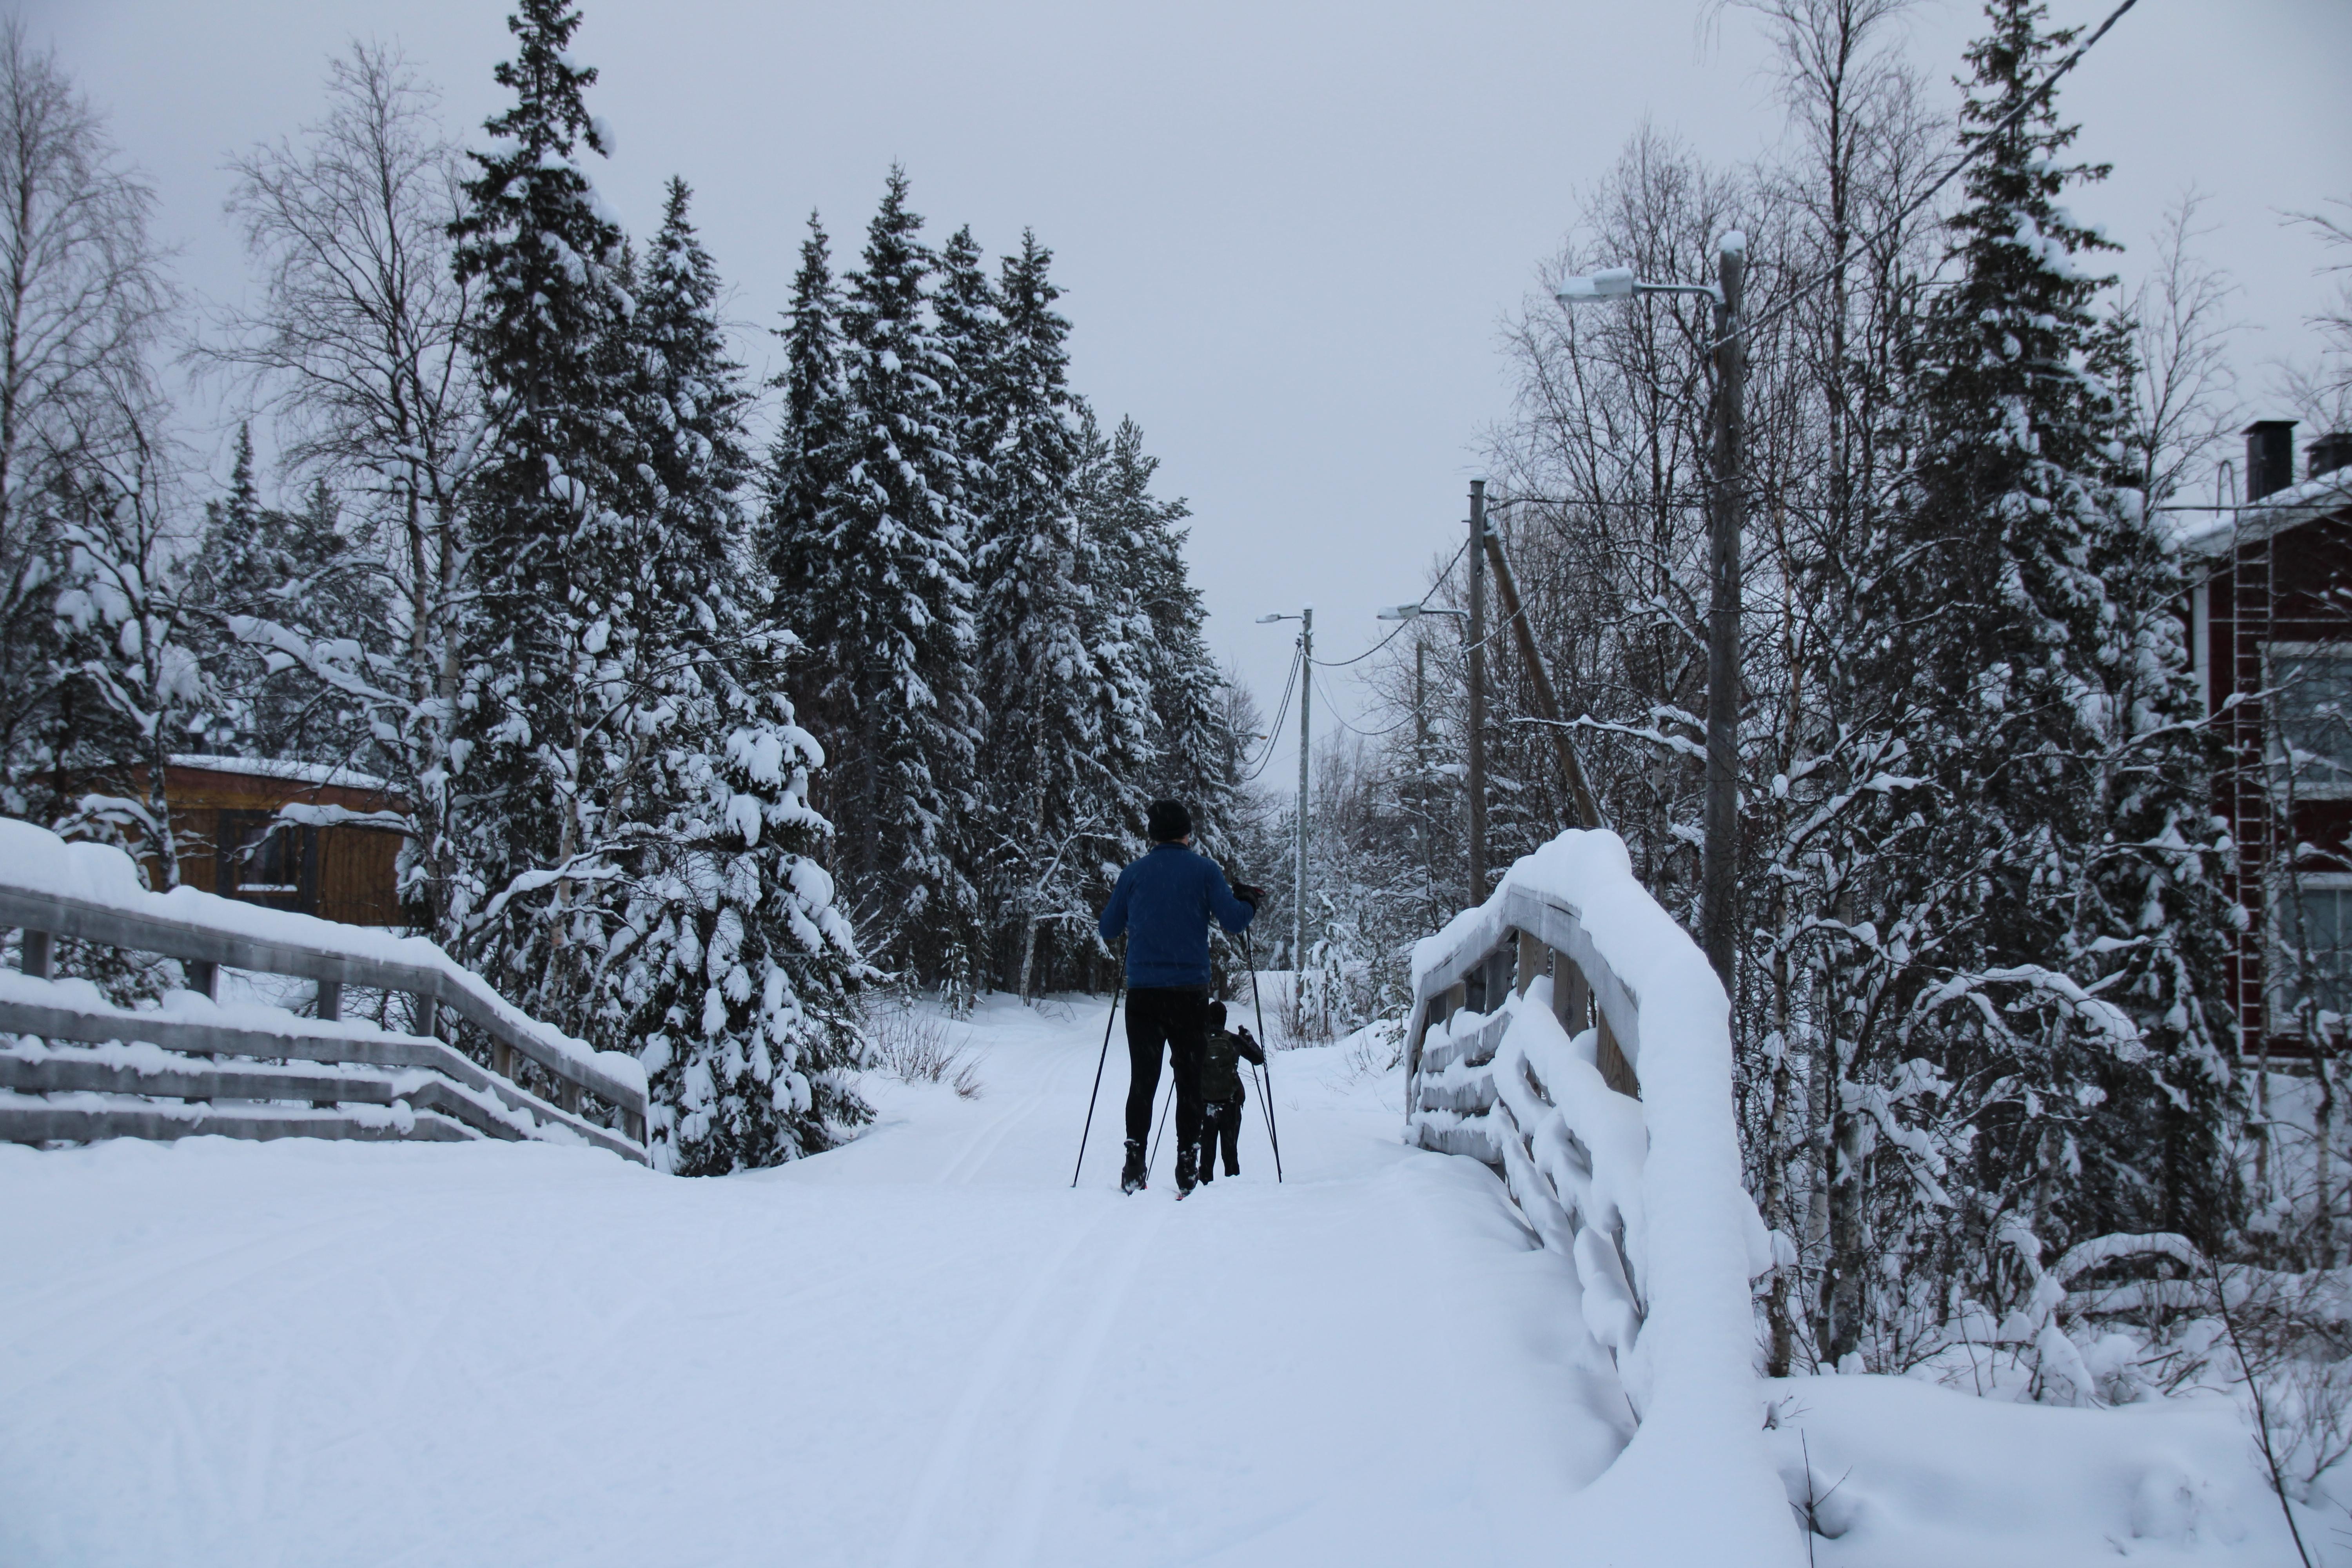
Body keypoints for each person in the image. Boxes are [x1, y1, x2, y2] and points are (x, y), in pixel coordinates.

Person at [1096, 799, 1262, 1196]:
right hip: (1189, 997)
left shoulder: (1134, 873)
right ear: (1187, 833)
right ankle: (1187, 1163)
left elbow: (1108, 927)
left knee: (1143, 1081)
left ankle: (1134, 1160)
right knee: (1189, 1081)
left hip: (1144, 996)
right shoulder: (1205, 871)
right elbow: (1234, 920)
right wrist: (1249, 901)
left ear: (1152, 834)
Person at [1196, 1000, 1265, 1185]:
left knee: (1207, 1154)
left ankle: (1204, 1189)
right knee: (1230, 1152)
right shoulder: (1234, 1040)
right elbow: (1258, 1059)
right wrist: (1248, 1039)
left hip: (1205, 1103)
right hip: (1231, 1104)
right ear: (1225, 1019)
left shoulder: (1199, 1040)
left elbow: (1175, 1062)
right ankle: (1233, 1191)